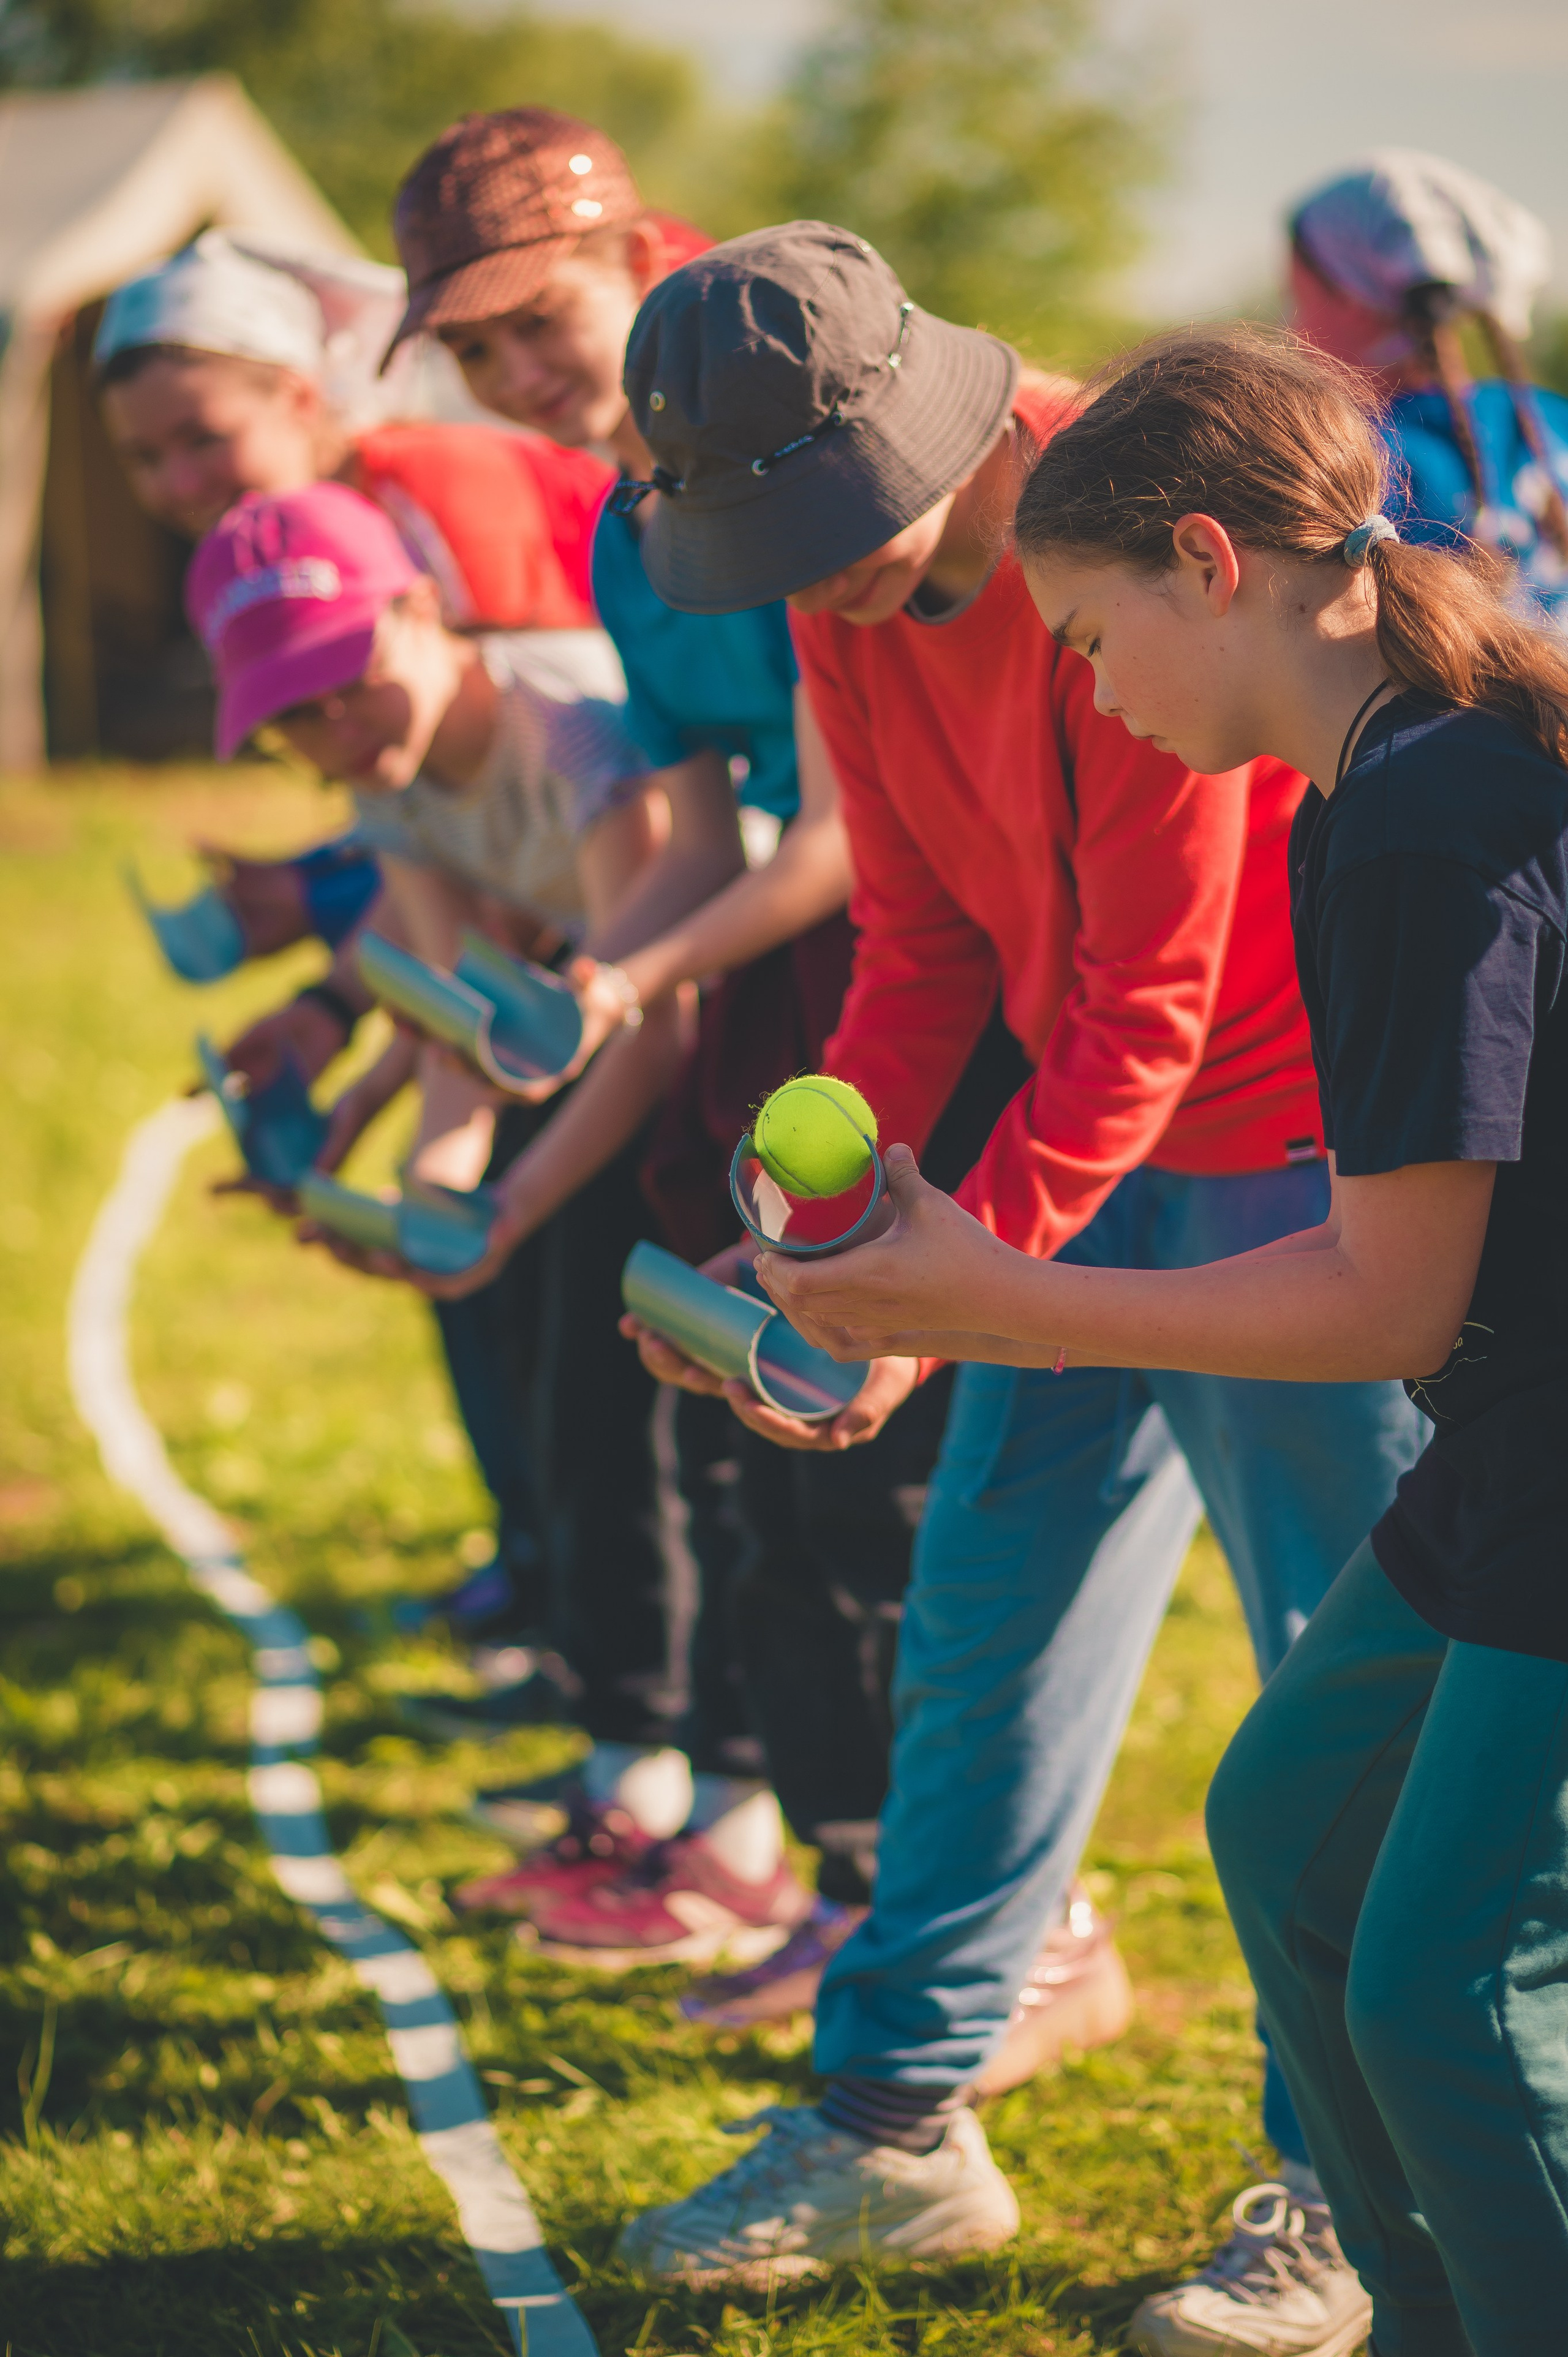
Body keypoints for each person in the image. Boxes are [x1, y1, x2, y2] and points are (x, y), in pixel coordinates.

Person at [603, 224, 1423, 2350]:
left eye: (833, 530)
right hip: (1072, 1161)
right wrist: (822, 1234)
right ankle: (895, 2117)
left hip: (1289, 1166)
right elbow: (925, 951)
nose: (819, 582)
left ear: (939, 434)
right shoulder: (841, 594)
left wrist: (948, 1284)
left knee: (1338, 1698)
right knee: (986, 1620)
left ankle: (1350, 2186)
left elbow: (1156, 992)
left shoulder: (1120, 533)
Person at [756, 322, 1568, 2357]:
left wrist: (997, 1298)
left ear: (1209, 561)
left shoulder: (1425, 819)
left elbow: (1388, 1300)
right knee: (1285, 1823)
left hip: (1545, 1449)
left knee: (1443, 1986)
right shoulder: (1365, 793)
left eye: (1090, 636)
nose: (1086, 686)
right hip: (1512, 1439)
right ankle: (1425, 2301)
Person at [375, 108, 1121, 2051]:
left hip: (1013, 1027)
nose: (518, 373)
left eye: (533, 317)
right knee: (825, 1484)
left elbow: (921, 871)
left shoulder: (870, 459)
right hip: (835, 1007)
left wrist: (634, 976)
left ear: (628, 247)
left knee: (926, 1511)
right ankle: (882, 1925)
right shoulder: (661, 533)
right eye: (474, 350)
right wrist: (654, 1031)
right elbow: (787, 854)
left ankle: (971, 1924)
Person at [96, 228, 617, 1643]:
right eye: (148, 461)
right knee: (482, 1259)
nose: (180, 484)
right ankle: (551, 1583)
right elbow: (423, 833)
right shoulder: (280, 572)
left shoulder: (425, 504)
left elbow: (513, 789)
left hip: (629, 932)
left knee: (572, 1312)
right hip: (517, 945)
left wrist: (365, 1008)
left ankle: (594, 1620)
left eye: (205, 436)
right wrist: (340, 1022)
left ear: (304, 395)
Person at [183, 481, 725, 1793]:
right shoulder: (393, 785)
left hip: (725, 1065)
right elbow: (462, 1020)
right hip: (592, 1050)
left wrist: (512, 1205)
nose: (329, 728)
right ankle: (618, 1742)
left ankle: (687, 1766)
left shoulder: (574, 740)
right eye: (289, 719)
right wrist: (432, 1203)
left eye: (344, 680)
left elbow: (661, 1014)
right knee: (552, 1390)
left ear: (423, 610)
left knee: (641, 1427)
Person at [1287, 151, 1568, 628]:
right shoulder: (1549, 417)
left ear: (1351, 298)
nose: (1290, 330)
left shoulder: (1356, 456)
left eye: (1295, 300)